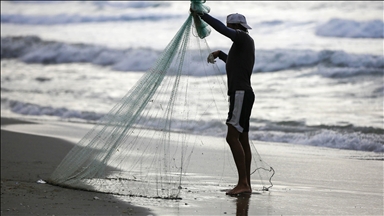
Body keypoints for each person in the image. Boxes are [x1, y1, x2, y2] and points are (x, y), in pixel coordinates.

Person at [191, 9, 255, 195]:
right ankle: (246, 185)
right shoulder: (245, 44)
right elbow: (235, 64)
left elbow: (220, 29)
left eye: (230, 27)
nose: (229, 30)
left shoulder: (242, 38)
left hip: (241, 94)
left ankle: (243, 183)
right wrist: (220, 55)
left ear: (236, 27)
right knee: (242, 138)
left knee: (231, 137)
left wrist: (202, 15)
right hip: (245, 94)